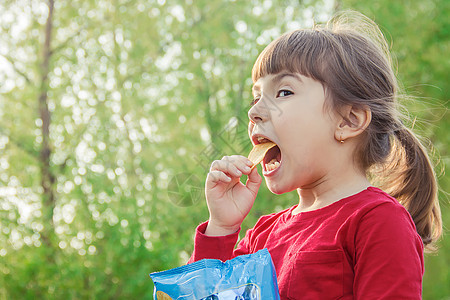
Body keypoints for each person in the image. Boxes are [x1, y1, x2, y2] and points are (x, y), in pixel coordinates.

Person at [188, 11, 442, 299]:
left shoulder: (378, 222)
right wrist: (221, 227)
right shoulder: (261, 235)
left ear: (348, 121)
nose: (254, 111)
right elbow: (204, 294)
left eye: (283, 92)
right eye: (256, 97)